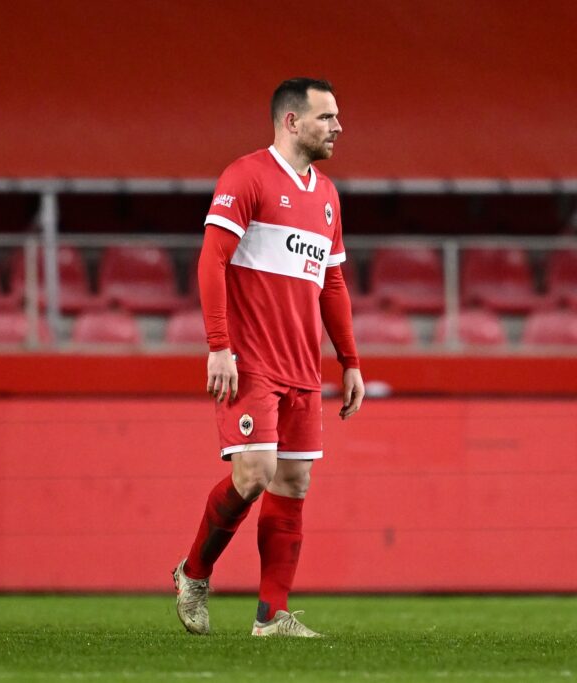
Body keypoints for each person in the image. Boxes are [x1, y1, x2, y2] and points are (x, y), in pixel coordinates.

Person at [172, 78, 364, 637]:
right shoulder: (246, 177)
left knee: (294, 483)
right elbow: (212, 260)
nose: (338, 127)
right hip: (250, 360)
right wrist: (219, 347)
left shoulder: (327, 195)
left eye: (337, 117)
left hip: (304, 365)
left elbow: (332, 283)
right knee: (255, 474)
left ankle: (271, 615)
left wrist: (349, 360)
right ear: (291, 121)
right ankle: (194, 572)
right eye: (326, 117)